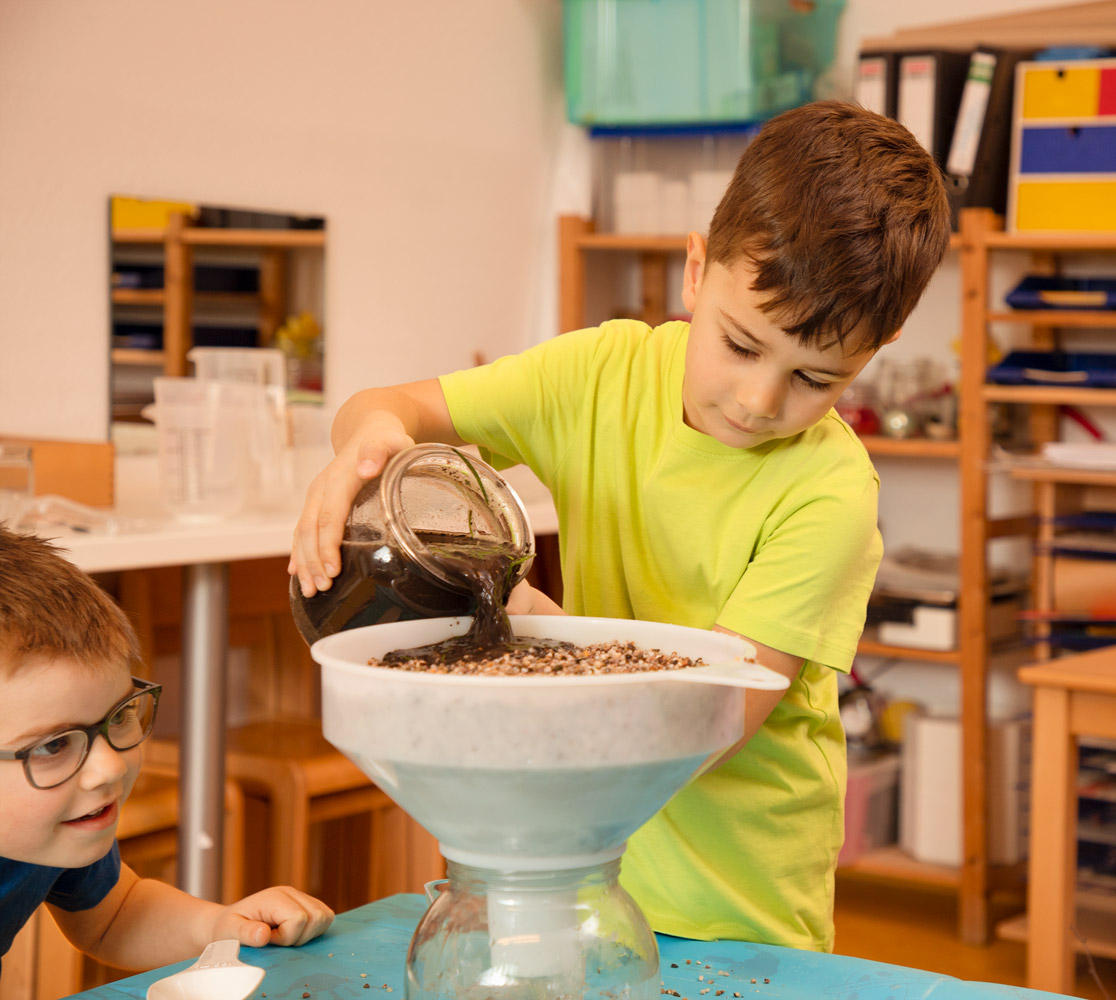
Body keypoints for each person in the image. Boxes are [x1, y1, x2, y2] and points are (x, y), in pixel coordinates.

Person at [288, 100, 951, 951]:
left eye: (814, 379)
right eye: (741, 345)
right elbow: (389, 406)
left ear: (879, 348)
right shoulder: (601, 375)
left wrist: (518, 615)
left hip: (735, 912)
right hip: (562, 878)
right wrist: (369, 446)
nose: (758, 401)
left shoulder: (830, 493)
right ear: (695, 270)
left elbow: (700, 727)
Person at [0, 527, 334, 971]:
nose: (108, 767)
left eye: (119, 716)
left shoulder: (50, 829)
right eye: (54, 745)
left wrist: (217, 928)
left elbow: (115, 916)